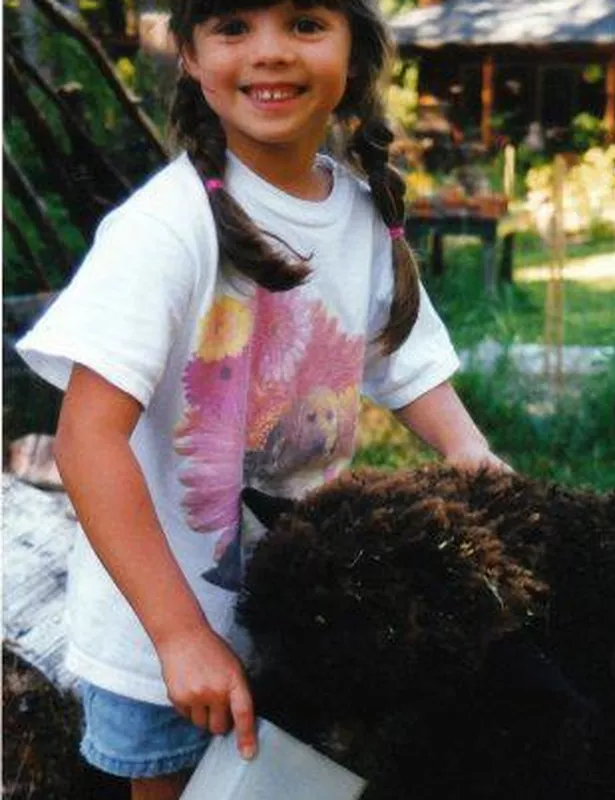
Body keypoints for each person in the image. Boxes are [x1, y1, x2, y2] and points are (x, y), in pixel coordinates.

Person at [17, 1, 505, 797]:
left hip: (299, 621)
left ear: (357, 49)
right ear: (188, 57)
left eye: (306, 24)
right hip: (161, 639)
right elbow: (87, 442)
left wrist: (472, 455)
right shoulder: (165, 230)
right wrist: (180, 638)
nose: (270, 53)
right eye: (234, 27)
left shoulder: (353, 210)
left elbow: (407, 359)